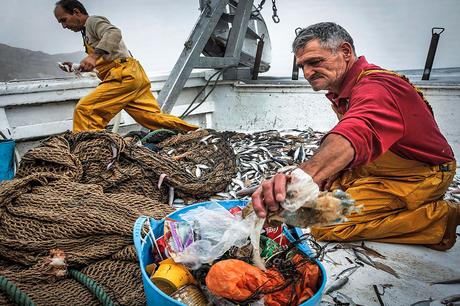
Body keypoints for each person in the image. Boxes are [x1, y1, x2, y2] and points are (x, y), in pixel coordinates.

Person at [252, 22, 459, 251]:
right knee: (321, 192)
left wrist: (303, 176)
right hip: (378, 165)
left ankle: (441, 219)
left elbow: (359, 128)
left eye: (315, 62)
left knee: (323, 223)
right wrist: (331, 171)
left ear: (345, 52)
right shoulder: (342, 89)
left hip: (419, 174)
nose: (307, 73)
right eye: (302, 66)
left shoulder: (378, 87)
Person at [54, 0, 198, 133]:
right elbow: (107, 59)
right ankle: (193, 133)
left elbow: (113, 33)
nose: (64, 26)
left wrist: (93, 56)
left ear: (76, 12)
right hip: (132, 74)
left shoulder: (93, 21)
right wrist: (76, 66)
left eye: (64, 20)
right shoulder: (86, 33)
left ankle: (89, 154)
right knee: (151, 118)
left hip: (123, 75)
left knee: (85, 111)